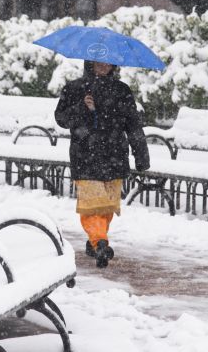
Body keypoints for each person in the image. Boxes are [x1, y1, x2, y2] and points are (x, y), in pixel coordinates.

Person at [54, 60, 150, 268]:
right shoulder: (75, 88)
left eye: (109, 62)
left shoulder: (122, 90)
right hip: (85, 155)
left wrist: (141, 154)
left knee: (106, 206)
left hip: (114, 154)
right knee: (91, 205)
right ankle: (100, 243)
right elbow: (61, 119)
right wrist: (82, 107)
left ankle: (94, 241)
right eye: (99, 62)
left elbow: (133, 123)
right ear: (90, 62)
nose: (104, 66)